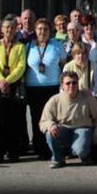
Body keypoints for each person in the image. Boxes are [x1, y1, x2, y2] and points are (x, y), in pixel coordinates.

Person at [39, 71, 97, 168]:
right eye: (68, 83)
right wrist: (51, 125)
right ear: (62, 85)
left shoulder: (88, 98)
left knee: (81, 149)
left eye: (74, 83)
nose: (71, 85)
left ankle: (83, 155)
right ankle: (58, 159)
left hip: (82, 129)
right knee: (50, 133)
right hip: (62, 130)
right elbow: (44, 121)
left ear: (78, 84)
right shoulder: (54, 100)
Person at [25, 18, 67, 160]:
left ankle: (52, 147)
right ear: (35, 31)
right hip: (34, 88)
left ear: (51, 31)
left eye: (45, 29)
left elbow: (63, 65)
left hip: (52, 87)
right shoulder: (28, 46)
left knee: (52, 118)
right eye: (39, 29)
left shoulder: (57, 45)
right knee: (36, 117)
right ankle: (38, 147)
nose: (42, 31)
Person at [0, 18, 27, 162]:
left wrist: (8, 80)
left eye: (11, 27)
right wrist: (0, 81)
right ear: (2, 29)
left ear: (16, 29)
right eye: (6, 27)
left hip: (14, 86)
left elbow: (21, 67)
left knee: (15, 120)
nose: (9, 30)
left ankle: (13, 151)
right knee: (0, 120)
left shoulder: (20, 47)